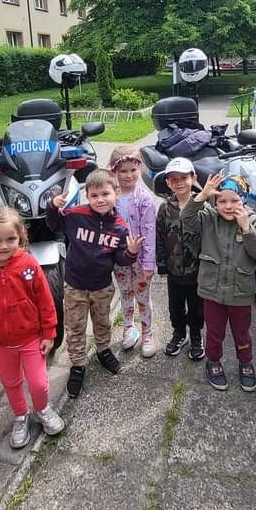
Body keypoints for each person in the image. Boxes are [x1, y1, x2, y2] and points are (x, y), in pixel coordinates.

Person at [0, 208, 65, 449]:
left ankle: (42, 409)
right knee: (11, 383)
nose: (3, 246)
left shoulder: (29, 264)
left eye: (11, 239)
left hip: (31, 337)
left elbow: (45, 301)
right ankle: (21, 416)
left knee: (38, 383)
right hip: (0, 343)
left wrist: (49, 332)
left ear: (20, 238)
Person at [48, 169, 142, 398]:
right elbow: (54, 225)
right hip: (75, 287)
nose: (100, 200)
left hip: (102, 287)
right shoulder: (75, 215)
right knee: (75, 327)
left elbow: (120, 259)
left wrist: (130, 253)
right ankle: (78, 364)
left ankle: (103, 350)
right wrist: (52, 207)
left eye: (105, 194)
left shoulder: (120, 227)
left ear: (116, 193)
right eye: (94, 195)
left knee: (102, 322)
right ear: (87, 196)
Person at [182, 173, 256, 392]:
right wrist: (202, 195)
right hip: (213, 291)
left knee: (242, 332)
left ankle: (245, 362)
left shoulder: (253, 220)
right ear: (215, 202)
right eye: (222, 201)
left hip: (240, 292)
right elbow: (186, 218)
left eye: (234, 201)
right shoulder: (209, 217)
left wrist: (246, 228)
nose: (228, 206)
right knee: (214, 331)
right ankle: (213, 361)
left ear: (244, 200)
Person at [108, 145, 158, 357]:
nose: (128, 175)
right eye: (123, 171)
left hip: (140, 261)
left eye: (133, 170)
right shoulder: (111, 197)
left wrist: (148, 263)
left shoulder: (145, 198)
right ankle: (129, 327)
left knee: (143, 297)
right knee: (125, 294)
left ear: (140, 169)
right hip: (120, 259)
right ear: (114, 172)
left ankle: (148, 332)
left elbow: (150, 232)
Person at [154, 157, 205, 360]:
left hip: (198, 271)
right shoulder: (165, 208)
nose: (179, 182)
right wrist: (162, 264)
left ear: (193, 178)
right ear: (167, 183)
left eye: (183, 177)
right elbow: (159, 236)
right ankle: (179, 333)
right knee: (175, 306)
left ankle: (195, 335)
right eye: (173, 179)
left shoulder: (202, 205)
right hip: (174, 271)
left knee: (197, 308)